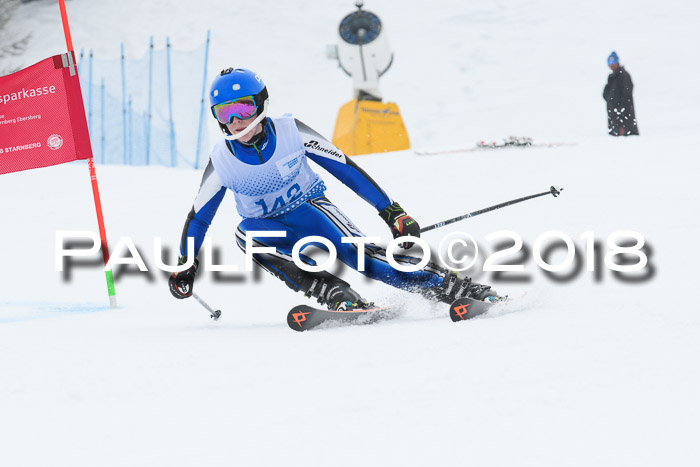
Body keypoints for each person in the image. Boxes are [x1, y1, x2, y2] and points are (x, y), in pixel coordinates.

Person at [168, 67, 502, 311]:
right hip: (271, 229)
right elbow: (199, 219)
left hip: (312, 212)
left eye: (243, 108)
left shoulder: (291, 131)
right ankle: (333, 292)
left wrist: (392, 212)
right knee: (245, 234)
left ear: (260, 104)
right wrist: (187, 264)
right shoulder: (221, 160)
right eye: (225, 113)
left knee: (365, 261)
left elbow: (346, 169)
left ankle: (453, 286)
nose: (236, 122)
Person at [602, 51, 639, 136]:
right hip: (614, 118)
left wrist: (620, 109)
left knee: (624, 143)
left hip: (623, 119)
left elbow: (627, 95)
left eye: (613, 61)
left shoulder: (624, 76)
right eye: (609, 62)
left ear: (618, 61)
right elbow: (606, 95)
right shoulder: (612, 77)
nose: (611, 64)